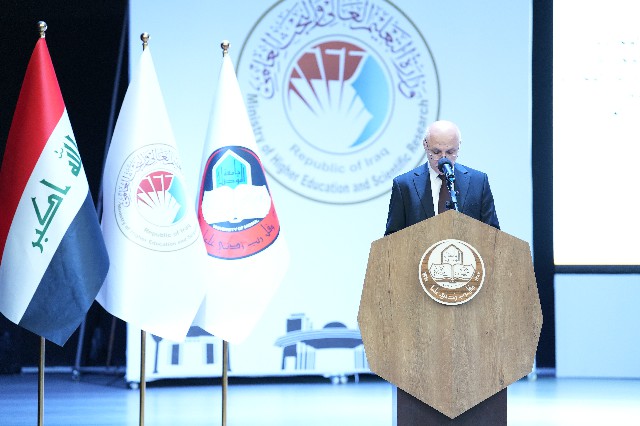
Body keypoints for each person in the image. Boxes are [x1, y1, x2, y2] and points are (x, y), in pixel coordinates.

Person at [384, 120, 499, 235]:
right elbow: (392, 237)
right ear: (425, 145)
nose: (443, 158)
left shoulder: (478, 182)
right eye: (436, 152)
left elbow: (493, 235)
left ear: (459, 146)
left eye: (450, 152)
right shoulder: (404, 185)